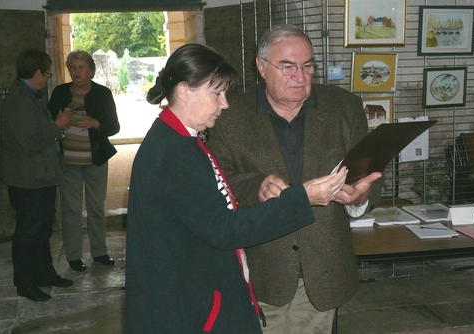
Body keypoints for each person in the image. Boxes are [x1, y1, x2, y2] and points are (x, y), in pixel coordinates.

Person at [124, 43, 351, 333]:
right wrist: (302, 198)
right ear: (184, 91)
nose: (225, 103)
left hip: (197, 295)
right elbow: (225, 229)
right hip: (190, 307)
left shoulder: (180, 139)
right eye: (216, 93)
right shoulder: (173, 153)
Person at [207, 24, 383, 333]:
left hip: (325, 270)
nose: (300, 78)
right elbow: (218, 178)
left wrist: (361, 196)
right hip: (262, 269)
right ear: (261, 67)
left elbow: (370, 173)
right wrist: (255, 185)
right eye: (287, 67)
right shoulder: (230, 116)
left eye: (308, 66)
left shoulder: (344, 107)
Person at [0, 48, 74, 301]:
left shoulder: (31, 96)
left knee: (42, 229)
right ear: (37, 72)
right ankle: (25, 282)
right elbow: (28, 142)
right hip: (28, 179)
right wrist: (58, 126)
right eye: (48, 73)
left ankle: (44, 273)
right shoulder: (19, 100)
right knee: (28, 232)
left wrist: (56, 127)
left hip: (40, 177)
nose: (48, 78)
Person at [47, 50, 120, 272]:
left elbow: (114, 127)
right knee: (71, 210)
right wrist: (59, 122)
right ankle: (73, 256)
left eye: (81, 67)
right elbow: (48, 124)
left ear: (90, 71)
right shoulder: (60, 92)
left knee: (96, 208)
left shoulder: (102, 94)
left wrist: (95, 122)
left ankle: (99, 251)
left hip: (95, 160)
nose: (76, 72)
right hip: (68, 161)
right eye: (72, 68)